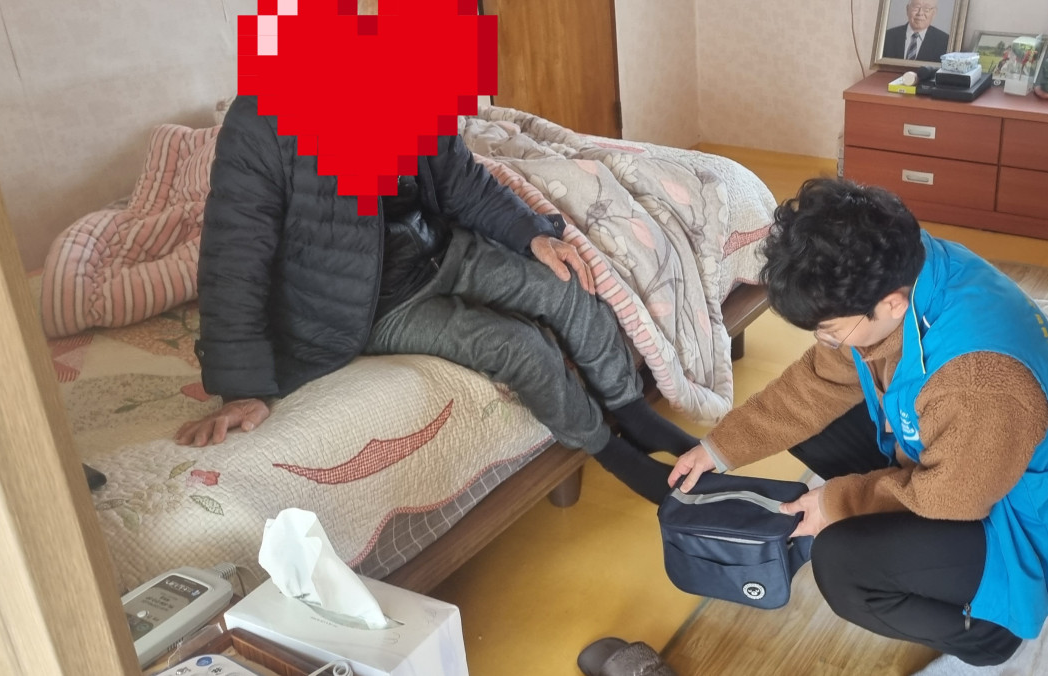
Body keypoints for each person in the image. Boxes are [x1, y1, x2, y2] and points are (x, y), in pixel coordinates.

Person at [666, 179, 1048, 665]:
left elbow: (952, 499)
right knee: (814, 425)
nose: (825, 341)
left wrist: (837, 503)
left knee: (841, 564)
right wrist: (719, 448)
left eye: (829, 329)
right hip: (978, 465)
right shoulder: (901, 267)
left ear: (890, 303)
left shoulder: (978, 380)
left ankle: (988, 630)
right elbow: (817, 383)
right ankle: (916, 551)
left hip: (1037, 534)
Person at [176, 92, 688, 505]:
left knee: (566, 285)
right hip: (366, 303)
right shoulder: (260, 119)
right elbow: (234, 257)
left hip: (435, 248)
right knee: (518, 346)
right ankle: (610, 451)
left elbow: (460, 180)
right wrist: (240, 387)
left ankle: (634, 413)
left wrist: (532, 234)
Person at [882, 0, 951, 63]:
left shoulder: (945, 42)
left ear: (934, 13)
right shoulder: (887, 37)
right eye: (916, 7)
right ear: (907, 9)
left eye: (926, 9)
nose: (920, 13)